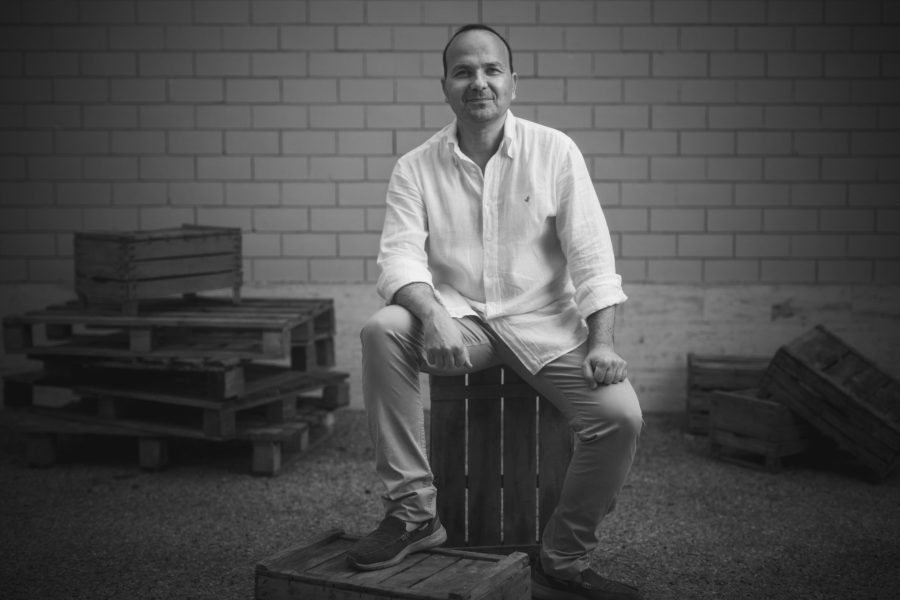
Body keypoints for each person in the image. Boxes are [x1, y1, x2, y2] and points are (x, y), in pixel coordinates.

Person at [346, 23, 644, 600]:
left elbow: (592, 255)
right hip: (463, 321)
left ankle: (563, 557)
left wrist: (602, 341)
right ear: (445, 86)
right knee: (383, 329)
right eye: (463, 71)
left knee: (620, 418)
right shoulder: (415, 166)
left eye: (491, 70)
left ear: (513, 83)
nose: (477, 82)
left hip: (547, 324)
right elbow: (398, 260)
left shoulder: (554, 150)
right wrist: (432, 317)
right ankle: (413, 515)